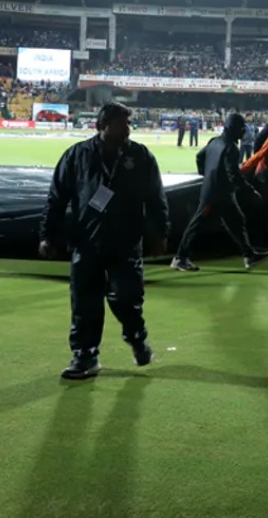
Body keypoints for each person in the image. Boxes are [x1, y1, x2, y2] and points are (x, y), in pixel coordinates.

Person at [40, 102, 170, 380]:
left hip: (126, 241)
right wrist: (48, 235)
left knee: (126, 298)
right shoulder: (76, 155)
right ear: (103, 125)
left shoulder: (140, 156)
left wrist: (159, 234)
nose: (128, 129)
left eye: (128, 123)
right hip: (86, 241)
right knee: (84, 302)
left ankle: (136, 337)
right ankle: (85, 356)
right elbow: (56, 198)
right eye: (122, 124)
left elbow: (156, 199)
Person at [172, 113, 268, 273]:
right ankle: (180, 258)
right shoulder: (231, 148)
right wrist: (250, 191)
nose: (243, 131)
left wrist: (207, 174)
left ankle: (249, 255)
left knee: (236, 221)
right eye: (242, 128)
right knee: (198, 224)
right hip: (218, 193)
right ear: (234, 129)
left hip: (216, 191)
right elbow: (234, 175)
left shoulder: (214, 142)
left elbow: (200, 157)